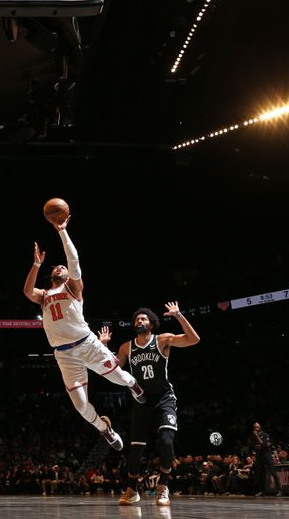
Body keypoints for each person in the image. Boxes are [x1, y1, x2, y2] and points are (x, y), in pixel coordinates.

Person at [23, 215, 146, 451]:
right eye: (55, 267)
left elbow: (74, 259)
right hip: (64, 355)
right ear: (52, 276)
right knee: (80, 405)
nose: (60, 266)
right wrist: (36, 265)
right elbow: (28, 291)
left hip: (87, 344)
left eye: (63, 267)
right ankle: (104, 429)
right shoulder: (45, 295)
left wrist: (62, 231)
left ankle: (134, 385)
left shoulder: (72, 287)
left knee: (118, 378)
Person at [111, 304, 200, 507]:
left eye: (143, 319)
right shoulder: (127, 347)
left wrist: (179, 315)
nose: (139, 321)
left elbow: (194, 339)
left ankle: (163, 486)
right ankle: (132, 490)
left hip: (163, 398)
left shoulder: (162, 340)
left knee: (166, 441)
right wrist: (102, 349)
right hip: (141, 401)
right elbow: (112, 370)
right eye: (136, 320)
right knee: (135, 452)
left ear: (151, 324)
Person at [250, 422, 282, 497]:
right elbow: (253, 446)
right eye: (255, 427)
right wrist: (259, 445)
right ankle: (262, 491)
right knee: (259, 474)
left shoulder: (265, 435)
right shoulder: (252, 437)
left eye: (257, 427)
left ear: (260, 427)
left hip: (267, 455)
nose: (256, 429)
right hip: (259, 456)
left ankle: (279, 490)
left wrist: (258, 437)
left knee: (273, 472)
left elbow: (264, 445)